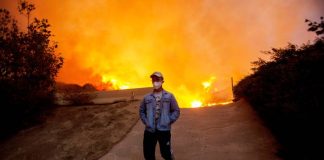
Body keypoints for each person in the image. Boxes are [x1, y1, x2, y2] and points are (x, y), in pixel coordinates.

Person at [139, 71, 180, 160]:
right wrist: (146, 122)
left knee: (166, 154)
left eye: (157, 79)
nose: (155, 82)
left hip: (164, 130)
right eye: (153, 80)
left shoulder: (169, 96)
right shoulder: (147, 97)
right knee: (148, 155)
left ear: (162, 81)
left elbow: (176, 110)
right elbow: (141, 111)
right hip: (150, 130)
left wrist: (168, 120)